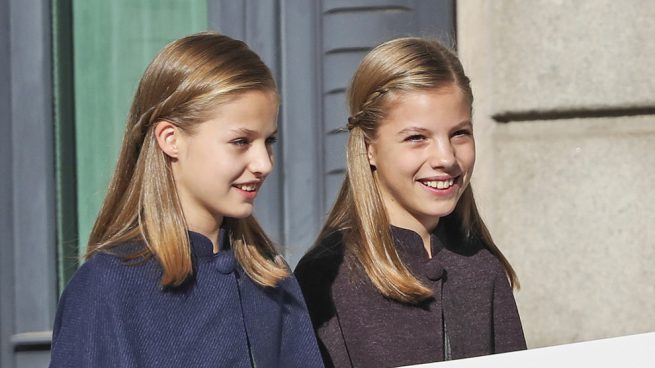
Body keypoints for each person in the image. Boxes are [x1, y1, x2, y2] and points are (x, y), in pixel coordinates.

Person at [50, 32, 323, 368]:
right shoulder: (107, 288)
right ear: (171, 139)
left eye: (269, 141)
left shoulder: (271, 280)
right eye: (241, 141)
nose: (264, 163)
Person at [294, 37, 526, 368]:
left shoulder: (481, 266)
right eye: (417, 138)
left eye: (459, 133)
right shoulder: (328, 277)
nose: (446, 157)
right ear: (369, 147)